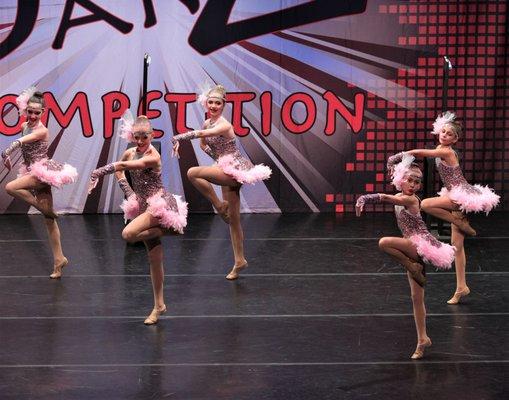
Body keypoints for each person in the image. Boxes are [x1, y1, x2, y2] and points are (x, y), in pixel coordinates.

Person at [387, 111, 499, 303]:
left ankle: (458, 221)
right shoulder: (441, 146)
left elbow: (424, 153)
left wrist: (402, 155)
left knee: (427, 204)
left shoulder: (446, 151)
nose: (444, 135)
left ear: (455, 139)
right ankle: (461, 287)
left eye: (449, 134)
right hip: (452, 194)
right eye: (443, 132)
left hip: (461, 194)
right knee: (457, 247)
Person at [88, 112, 187, 324]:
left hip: (159, 204)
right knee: (154, 260)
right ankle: (159, 305)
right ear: (132, 136)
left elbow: (121, 167)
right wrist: (129, 192)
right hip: (142, 206)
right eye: (137, 137)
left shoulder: (153, 156)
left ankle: (174, 228)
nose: (140, 141)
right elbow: (121, 173)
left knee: (129, 233)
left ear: (152, 135)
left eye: (145, 136)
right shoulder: (130, 152)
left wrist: (97, 172)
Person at [356, 155, 455, 359]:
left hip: (418, 245)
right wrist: (403, 156)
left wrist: (366, 198)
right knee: (416, 298)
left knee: (384, 242)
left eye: (417, 182)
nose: (413, 185)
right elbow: (391, 164)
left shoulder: (409, 199)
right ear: (401, 179)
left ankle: (411, 264)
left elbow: (389, 198)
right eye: (410, 180)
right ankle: (422, 339)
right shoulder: (401, 184)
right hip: (411, 247)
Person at [172, 84, 271, 280]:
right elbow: (203, 144)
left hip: (235, 168)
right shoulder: (208, 122)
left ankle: (218, 205)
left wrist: (178, 137)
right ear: (206, 104)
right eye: (211, 102)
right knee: (233, 220)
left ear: (224, 105)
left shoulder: (224, 125)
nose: (214, 105)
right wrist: (217, 157)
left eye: (218, 103)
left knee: (192, 173)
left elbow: (200, 136)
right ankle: (239, 260)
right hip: (223, 165)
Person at [1, 87, 77, 278]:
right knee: (49, 221)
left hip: (42, 172)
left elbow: (20, 142)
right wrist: (11, 160)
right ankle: (59, 261)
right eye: (30, 112)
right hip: (30, 169)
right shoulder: (24, 125)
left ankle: (45, 210)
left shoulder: (42, 130)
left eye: (37, 112)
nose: (33, 115)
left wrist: (6, 152)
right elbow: (25, 148)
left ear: (43, 113)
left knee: (10, 187)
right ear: (25, 111)